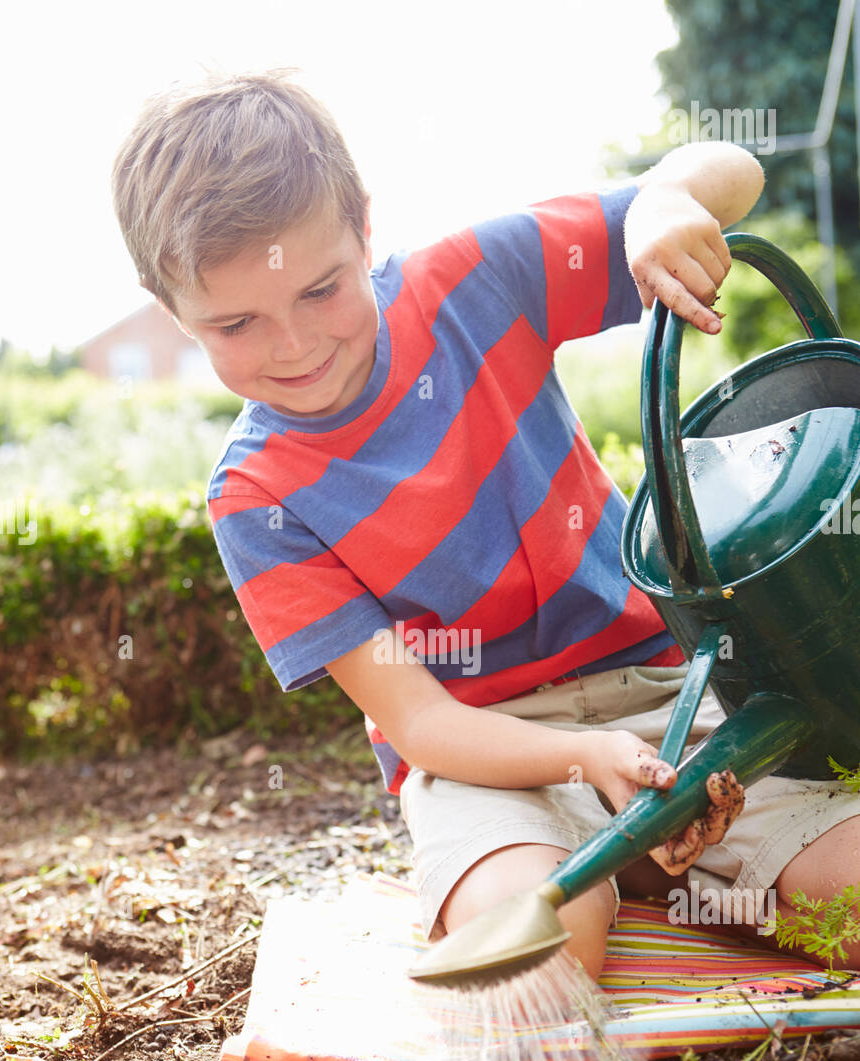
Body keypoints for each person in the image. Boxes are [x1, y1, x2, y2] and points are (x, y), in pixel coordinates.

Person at [112, 68, 860, 981]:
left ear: (364, 229)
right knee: (541, 955)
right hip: (483, 753)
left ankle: (667, 862)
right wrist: (582, 759)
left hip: (673, 699)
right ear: (172, 314)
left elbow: (732, 170)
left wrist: (663, 202)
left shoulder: (474, 280)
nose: (295, 345)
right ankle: (605, 874)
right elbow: (421, 723)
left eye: (321, 289)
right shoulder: (255, 497)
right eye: (236, 324)